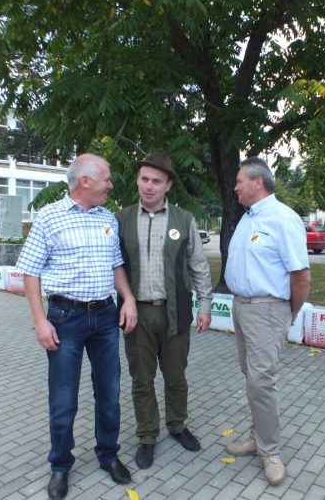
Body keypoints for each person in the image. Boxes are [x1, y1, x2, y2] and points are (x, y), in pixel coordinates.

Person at [16, 153, 137, 500]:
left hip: (104, 317)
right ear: (85, 181)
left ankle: (108, 455)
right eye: (107, 179)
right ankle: (60, 465)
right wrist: (40, 321)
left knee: (109, 392)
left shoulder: (107, 219)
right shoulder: (49, 217)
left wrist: (127, 298)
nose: (111, 185)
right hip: (65, 319)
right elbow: (30, 272)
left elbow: (116, 265)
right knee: (64, 397)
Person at [116, 151, 213, 469]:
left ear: (168, 185)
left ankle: (178, 426)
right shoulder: (122, 218)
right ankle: (146, 436)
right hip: (136, 315)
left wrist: (205, 304)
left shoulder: (183, 219)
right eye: (144, 178)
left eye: (156, 181)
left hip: (175, 313)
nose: (149, 186)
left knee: (176, 377)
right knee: (141, 380)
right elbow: (113, 266)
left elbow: (198, 265)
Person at [224, 156, 311, 486]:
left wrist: (288, 315)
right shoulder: (249, 218)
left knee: (262, 381)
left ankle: (271, 451)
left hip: (267, 310)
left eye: (239, 181)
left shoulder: (281, 218)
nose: (235, 187)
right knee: (251, 378)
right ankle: (257, 437)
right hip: (242, 308)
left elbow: (301, 276)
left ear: (257, 182)